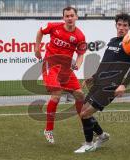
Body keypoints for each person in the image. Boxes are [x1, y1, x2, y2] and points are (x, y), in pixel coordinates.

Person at [74, 13, 130, 153]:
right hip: (99, 82)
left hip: (111, 86)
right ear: (116, 25)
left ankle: (88, 143)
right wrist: (94, 76)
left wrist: (123, 85)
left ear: (129, 28)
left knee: (85, 114)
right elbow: (105, 63)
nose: (121, 28)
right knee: (82, 111)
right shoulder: (112, 41)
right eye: (119, 25)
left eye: (125, 25)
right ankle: (102, 136)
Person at [34, 6, 86, 144]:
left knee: (80, 95)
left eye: (72, 15)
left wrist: (78, 65)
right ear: (63, 18)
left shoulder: (80, 36)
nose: (69, 18)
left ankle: (84, 123)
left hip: (66, 69)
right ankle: (49, 130)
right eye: (67, 16)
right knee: (56, 94)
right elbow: (40, 31)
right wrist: (37, 47)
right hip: (50, 65)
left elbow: (81, 54)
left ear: (76, 17)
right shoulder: (54, 27)